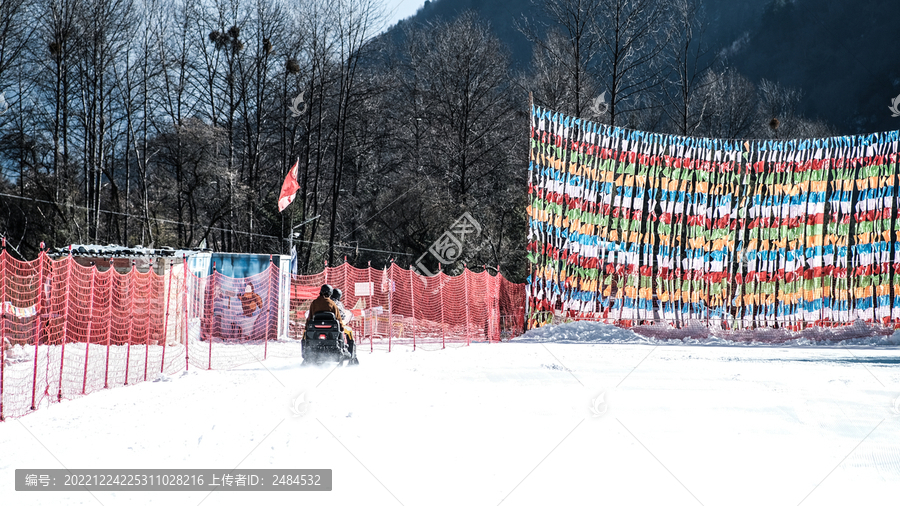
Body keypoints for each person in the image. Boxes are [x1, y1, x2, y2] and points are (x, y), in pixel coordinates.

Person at [329, 288, 355, 356]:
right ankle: (351, 353)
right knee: (349, 330)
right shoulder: (338, 304)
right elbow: (342, 315)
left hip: (321, 326)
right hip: (335, 326)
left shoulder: (324, 302)